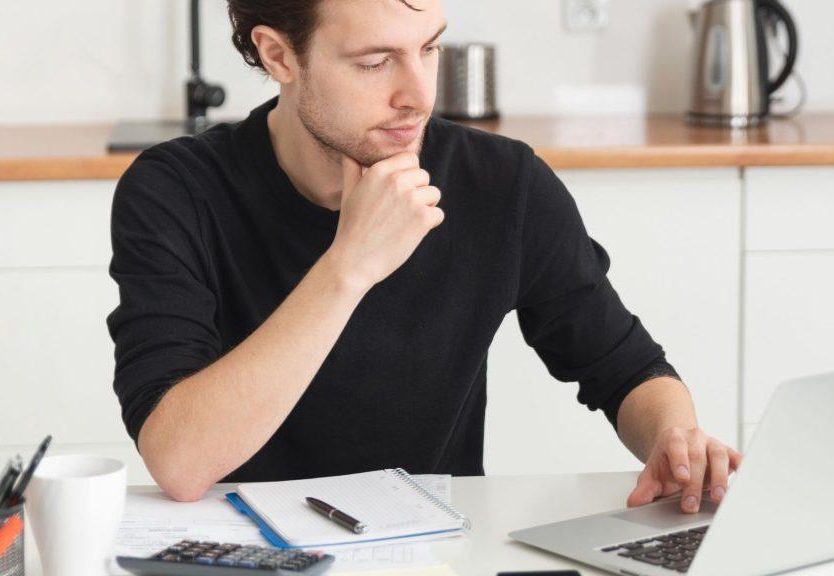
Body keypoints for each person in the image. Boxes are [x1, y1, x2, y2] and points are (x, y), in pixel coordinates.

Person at [107, 0, 741, 511]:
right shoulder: (177, 191)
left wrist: (672, 439)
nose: (417, 94)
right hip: (239, 550)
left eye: (429, 48)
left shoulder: (503, 182)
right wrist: (348, 266)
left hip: (435, 552)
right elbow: (180, 462)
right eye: (375, 61)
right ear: (279, 56)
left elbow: (624, 367)